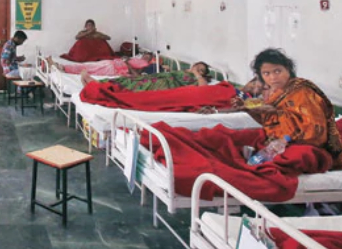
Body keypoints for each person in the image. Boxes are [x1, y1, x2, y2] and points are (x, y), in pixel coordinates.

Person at [208, 49, 342, 165]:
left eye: (277, 71)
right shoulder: (278, 92)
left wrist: (283, 139)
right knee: (222, 137)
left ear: (288, 69)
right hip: (278, 140)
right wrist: (243, 109)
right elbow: (268, 117)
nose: (273, 77)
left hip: (309, 145)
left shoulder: (303, 92)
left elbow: (315, 130)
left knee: (298, 155)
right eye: (266, 74)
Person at [81, 61, 212, 91]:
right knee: (127, 79)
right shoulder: (184, 71)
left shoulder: (197, 78)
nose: (198, 70)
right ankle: (99, 83)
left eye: (201, 70)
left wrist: (197, 73)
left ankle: (98, 86)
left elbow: (204, 88)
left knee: (134, 86)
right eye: (198, 67)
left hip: (163, 84)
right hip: (157, 78)